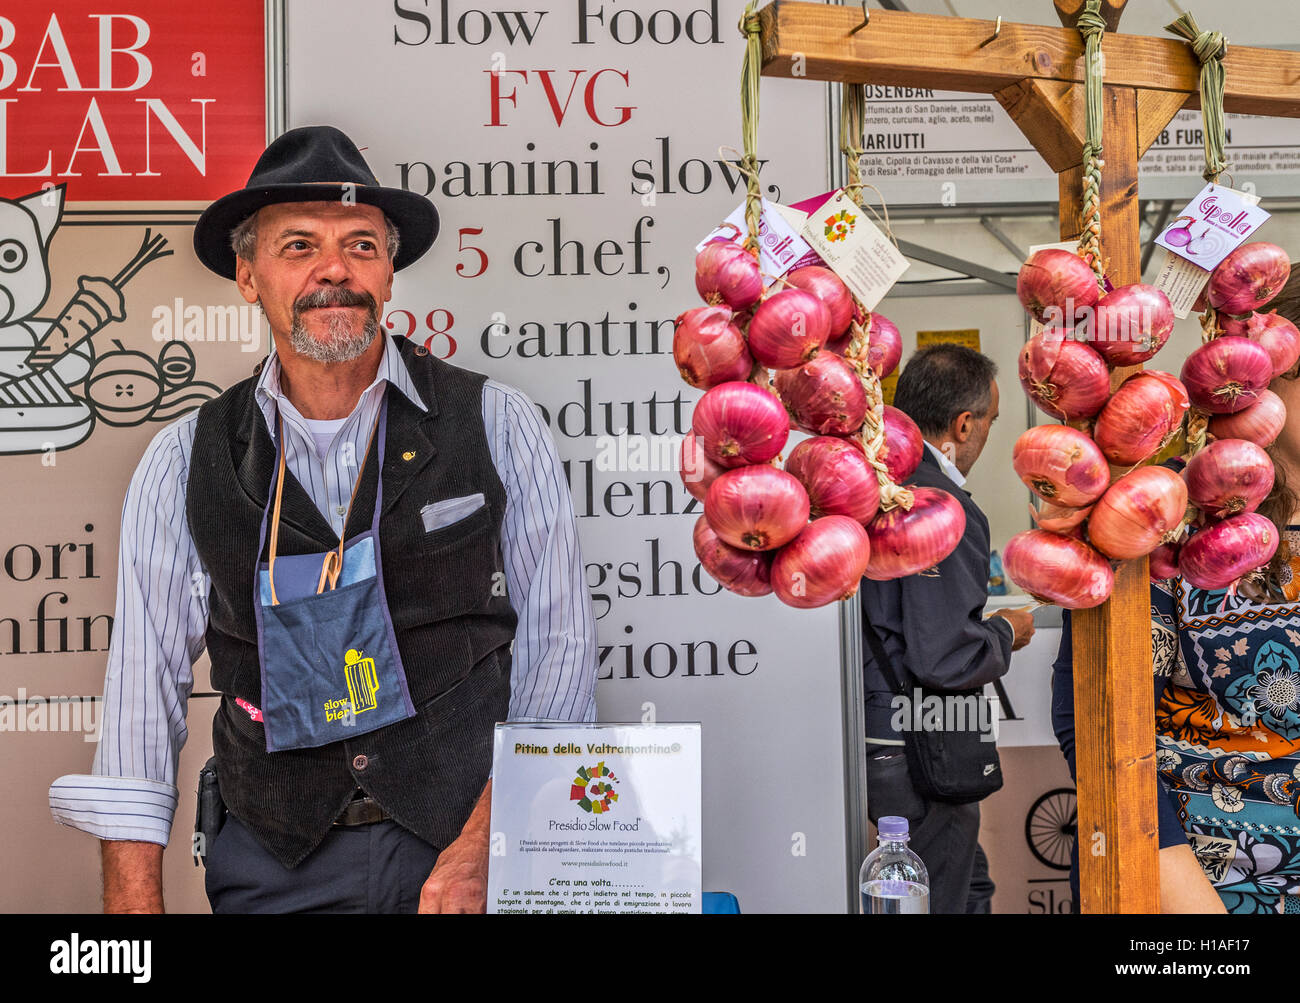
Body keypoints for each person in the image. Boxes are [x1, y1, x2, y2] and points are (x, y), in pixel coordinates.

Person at [48, 126, 598, 914]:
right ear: (248, 276)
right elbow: (143, 692)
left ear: (390, 272)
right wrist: (134, 913)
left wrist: (490, 842)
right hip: (274, 860)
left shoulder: (500, 423)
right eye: (299, 245)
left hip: (466, 850)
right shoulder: (183, 459)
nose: (333, 270)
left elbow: (560, 662)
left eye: (362, 246)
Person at [1055, 268, 1300, 915]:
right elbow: (1096, 708)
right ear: (1266, 374)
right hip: (1205, 883)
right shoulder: (1174, 504)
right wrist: (1173, 880)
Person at [859, 343, 1035, 914]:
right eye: (991, 420)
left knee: (966, 887)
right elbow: (943, 656)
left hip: (890, 737)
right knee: (943, 896)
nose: (988, 435)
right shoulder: (942, 506)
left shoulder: (878, 487)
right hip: (922, 744)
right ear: (965, 423)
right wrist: (1007, 630)